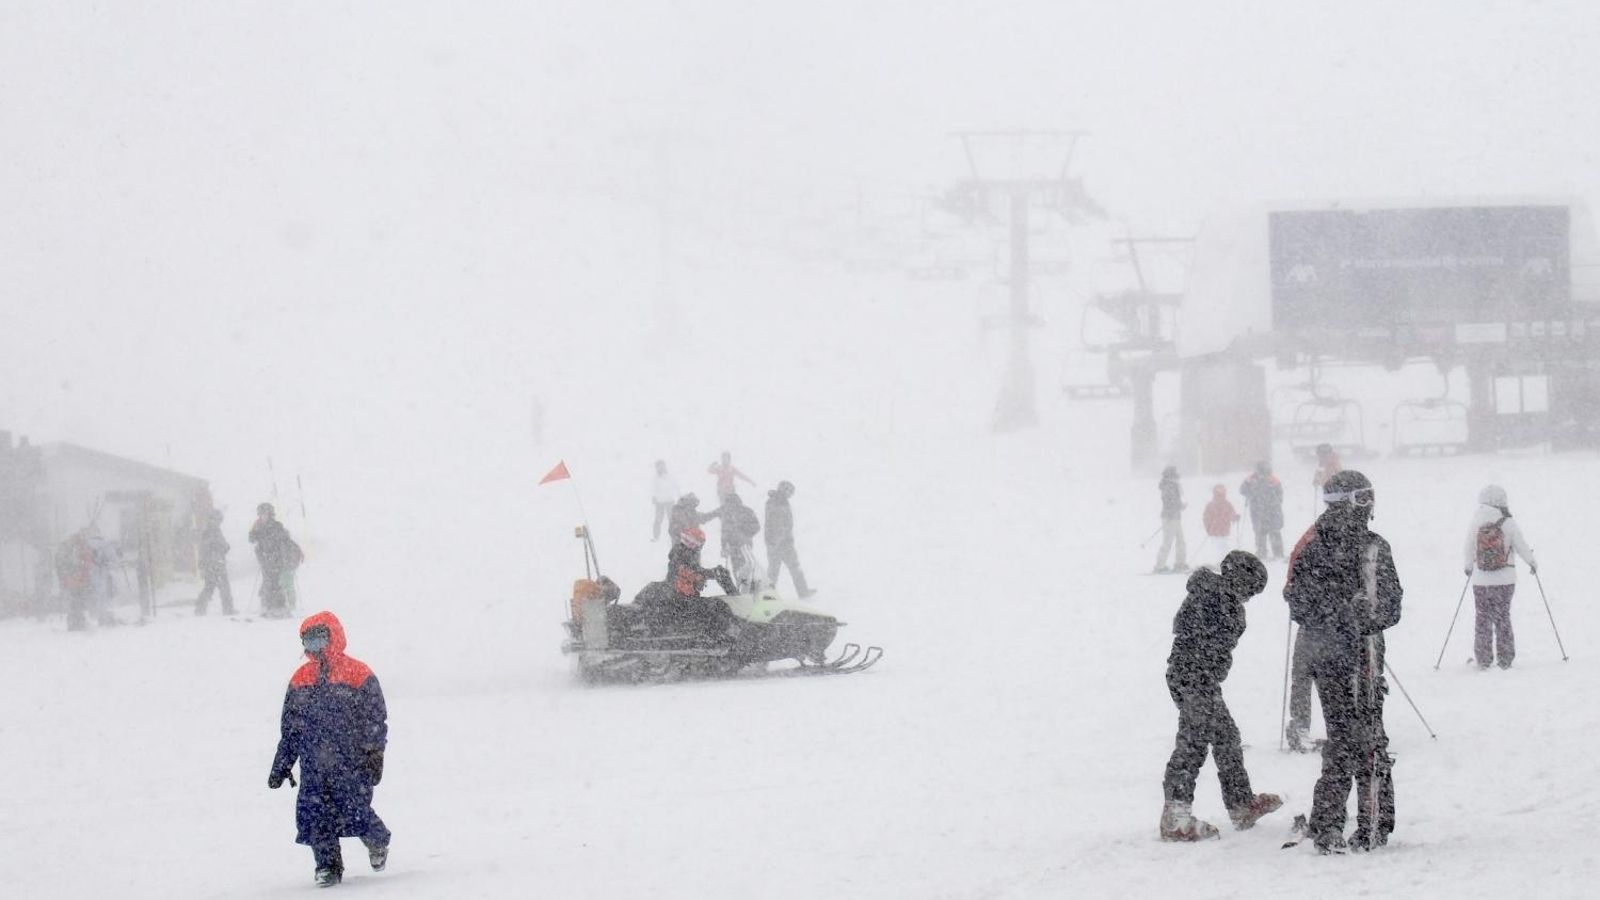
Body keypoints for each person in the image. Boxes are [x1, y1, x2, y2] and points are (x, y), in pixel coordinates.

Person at [1282, 470, 1403, 853]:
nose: (1370, 507)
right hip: (1341, 656)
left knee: (1354, 738)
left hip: (1351, 653)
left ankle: (1354, 823)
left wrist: (1363, 616)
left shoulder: (1360, 544)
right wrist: (1343, 615)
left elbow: (1391, 604)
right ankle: (1352, 824)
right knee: (1356, 738)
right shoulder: (1327, 545)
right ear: (1348, 501)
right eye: (1364, 498)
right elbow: (1296, 600)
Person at [1160, 551, 1281, 841]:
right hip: (1195, 678)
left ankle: (1241, 804)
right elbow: (1201, 640)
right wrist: (1203, 674)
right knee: (1193, 743)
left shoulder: (1214, 595)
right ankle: (1175, 817)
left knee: (1226, 737)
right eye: (1250, 591)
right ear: (1239, 580)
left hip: (1197, 677)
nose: (1249, 598)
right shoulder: (1216, 599)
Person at [268, 611, 391, 887]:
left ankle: (377, 840)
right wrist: (282, 763)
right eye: (308, 641)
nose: (315, 647)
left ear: (334, 636)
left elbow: (375, 717)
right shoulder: (301, 678)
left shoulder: (358, 673)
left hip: (350, 762)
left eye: (320, 639)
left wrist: (374, 752)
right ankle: (327, 866)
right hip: (313, 765)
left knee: (354, 809)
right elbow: (291, 728)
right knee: (314, 815)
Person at [1462, 485, 1536, 670]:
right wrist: (1532, 562)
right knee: (1503, 617)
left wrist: (1469, 567)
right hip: (1505, 580)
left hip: (1481, 581)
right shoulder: (1508, 522)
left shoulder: (1476, 522)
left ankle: (1484, 659)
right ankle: (1505, 659)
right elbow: (1521, 546)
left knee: (1482, 619)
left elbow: (1468, 548)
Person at [250, 503, 303, 619]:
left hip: (275, 560)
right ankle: (268, 606)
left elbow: (283, 541)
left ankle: (279, 608)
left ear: (270, 514)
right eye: (260, 514)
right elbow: (251, 539)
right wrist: (254, 530)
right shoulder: (259, 526)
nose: (262, 517)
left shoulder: (276, 526)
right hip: (265, 560)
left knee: (275, 584)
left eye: (264, 514)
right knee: (267, 584)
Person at [764, 481, 814, 597]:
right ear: (784, 490)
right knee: (777, 570)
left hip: (781, 541)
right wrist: (776, 542)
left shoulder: (778, 501)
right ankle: (767, 595)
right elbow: (777, 524)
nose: (791, 494)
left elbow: (781, 524)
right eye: (790, 491)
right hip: (779, 542)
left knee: (782, 569)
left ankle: (768, 595)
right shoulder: (778, 502)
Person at [1239, 461, 1285, 560]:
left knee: (1274, 531)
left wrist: (1273, 503)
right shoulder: (1251, 479)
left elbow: (1280, 494)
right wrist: (1251, 495)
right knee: (1260, 532)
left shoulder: (1273, 480)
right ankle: (1262, 552)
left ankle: (1277, 553)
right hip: (1258, 511)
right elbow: (1242, 490)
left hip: (1271, 510)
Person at [715, 492, 761, 590]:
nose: (729, 506)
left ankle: (749, 591)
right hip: (733, 547)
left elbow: (756, 527)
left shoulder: (747, 511)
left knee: (748, 570)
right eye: (728, 504)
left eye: (731, 503)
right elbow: (725, 532)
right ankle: (742, 592)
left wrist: (744, 529)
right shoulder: (727, 514)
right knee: (738, 571)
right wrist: (723, 546)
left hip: (745, 547)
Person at [195, 510, 235, 616]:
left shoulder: (207, 530)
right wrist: (225, 546)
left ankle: (200, 608)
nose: (219, 522)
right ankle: (228, 609)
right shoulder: (213, 530)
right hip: (216, 563)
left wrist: (202, 564)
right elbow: (221, 545)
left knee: (209, 587)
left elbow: (203, 548)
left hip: (211, 564)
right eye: (219, 520)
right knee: (224, 587)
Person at [1153, 466, 1188, 573]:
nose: (1176, 476)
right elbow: (1169, 502)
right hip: (1169, 517)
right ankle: (1159, 566)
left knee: (1180, 541)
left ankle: (1180, 563)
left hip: (1176, 517)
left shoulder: (1173, 485)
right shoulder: (1168, 486)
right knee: (1168, 541)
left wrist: (1180, 506)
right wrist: (1179, 506)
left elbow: (1174, 501)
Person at [1199, 485, 1240, 566]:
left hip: (1223, 531)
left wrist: (1235, 517)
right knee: (1220, 547)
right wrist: (1208, 528)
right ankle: (1221, 562)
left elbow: (1231, 514)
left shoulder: (1226, 504)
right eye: (1219, 494)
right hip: (1215, 531)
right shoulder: (1212, 505)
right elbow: (1206, 518)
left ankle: (1223, 562)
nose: (1220, 496)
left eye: (1222, 494)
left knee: (1223, 547)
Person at [650, 460, 680, 542]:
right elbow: (653, 488)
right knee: (658, 519)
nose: (660, 467)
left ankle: (674, 536)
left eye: (662, 465)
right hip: (659, 502)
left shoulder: (670, 476)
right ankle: (656, 537)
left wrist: (679, 496)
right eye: (659, 466)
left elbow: (676, 486)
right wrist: (653, 497)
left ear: (664, 466)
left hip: (669, 501)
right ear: (657, 468)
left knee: (672, 520)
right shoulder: (655, 478)